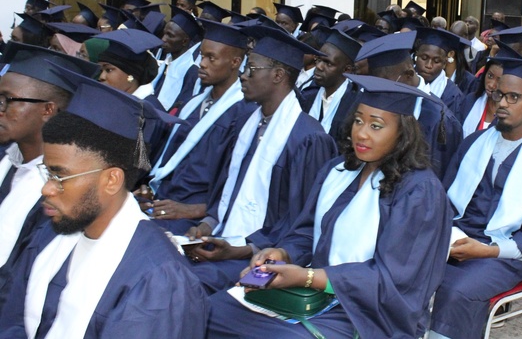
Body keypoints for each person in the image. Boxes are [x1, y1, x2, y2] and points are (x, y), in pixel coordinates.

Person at [206, 74, 453, 338]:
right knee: (209, 310)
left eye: (376, 126)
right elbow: (308, 232)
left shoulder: (419, 191)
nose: (361, 132)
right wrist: (282, 254)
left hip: (369, 315)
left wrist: (308, 277)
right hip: (311, 295)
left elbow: (393, 279)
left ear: (403, 133)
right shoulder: (338, 171)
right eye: (358, 120)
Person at [0, 68, 208, 338]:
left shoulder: (158, 281)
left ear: (111, 180)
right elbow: (12, 321)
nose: (47, 188)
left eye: (60, 176)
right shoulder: (51, 235)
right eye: (47, 173)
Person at [184, 27, 337, 293]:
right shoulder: (246, 122)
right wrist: (207, 224)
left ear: (278, 75)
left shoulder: (308, 139)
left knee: (185, 283)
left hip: (261, 257)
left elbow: (300, 223)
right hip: (224, 239)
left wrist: (240, 249)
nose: (242, 75)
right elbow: (227, 189)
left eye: (251, 69)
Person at [429, 58, 522, 339]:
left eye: (513, 97)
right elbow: (446, 203)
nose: (502, 103)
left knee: (456, 291)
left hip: (505, 254)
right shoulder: (474, 143)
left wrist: (486, 250)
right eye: (499, 95)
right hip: (457, 238)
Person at [0, 43, 99, 309]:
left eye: (8, 100)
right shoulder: (7, 159)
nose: (0, 108)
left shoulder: (63, 194)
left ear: (48, 110)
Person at [143, 20, 255, 234]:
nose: (202, 64)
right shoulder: (194, 103)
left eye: (211, 58)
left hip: (199, 214)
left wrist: (193, 210)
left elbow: (237, 182)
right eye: (202, 55)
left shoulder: (243, 114)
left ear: (235, 62)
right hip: (167, 201)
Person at [355, 31, 463, 179]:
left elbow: (438, 179)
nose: (380, 91)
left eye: (386, 83)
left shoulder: (439, 120)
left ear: (408, 75)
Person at [300, 29, 362, 143]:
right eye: (318, 60)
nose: (319, 66)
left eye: (328, 63)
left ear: (347, 70)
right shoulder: (307, 97)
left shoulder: (356, 104)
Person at [88, 29, 163, 101]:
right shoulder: (111, 101)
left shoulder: (145, 111)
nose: (101, 77)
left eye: (108, 70)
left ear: (131, 76)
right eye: (101, 71)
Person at [153, 6, 204, 111]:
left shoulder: (191, 72)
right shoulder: (165, 63)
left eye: (170, 36)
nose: (163, 39)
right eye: (164, 33)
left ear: (185, 41)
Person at [414, 27, 468, 120]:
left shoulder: (453, 95)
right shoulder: (402, 81)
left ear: (444, 64)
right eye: (424, 58)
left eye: (436, 61)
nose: (429, 65)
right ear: (416, 55)